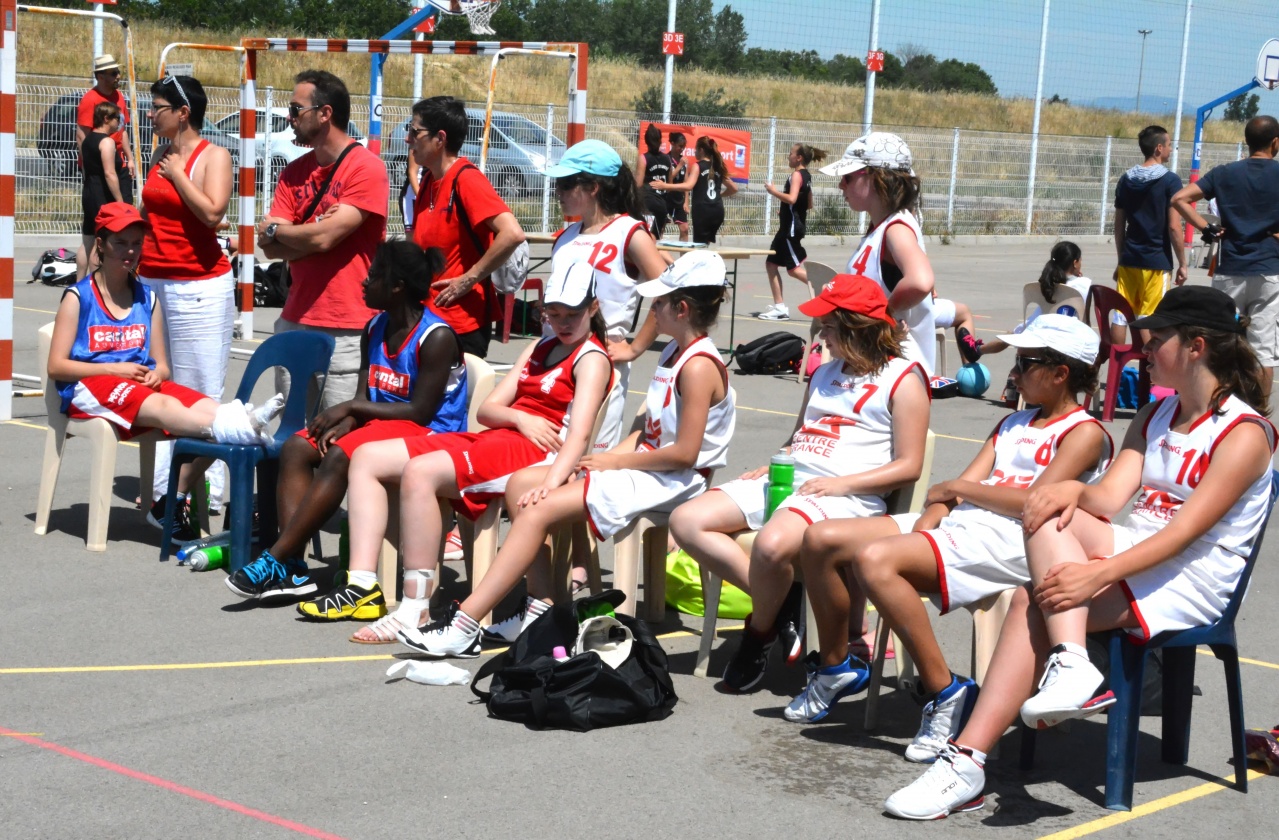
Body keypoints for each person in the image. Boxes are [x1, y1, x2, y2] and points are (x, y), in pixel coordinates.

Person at [885, 286, 1275, 820]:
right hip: (1142, 548)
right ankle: (1065, 669)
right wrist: (1068, 490)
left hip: (1195, 576)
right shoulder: (1154, 414)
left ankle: (969, 759)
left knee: (1033, 600)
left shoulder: (1245, 433)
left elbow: (1184, 535)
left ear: (1196, 346)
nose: (1143, 349)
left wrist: (1098, 576)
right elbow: (1109, 499)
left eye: (1157, 339)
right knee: (1044, 507)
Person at [797, 315, 1111, 756]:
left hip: (1014, 539)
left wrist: (960, 491)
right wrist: (932, 516)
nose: (1013, 372)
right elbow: (950, 493)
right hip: (966, 524)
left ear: (1061, 374)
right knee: (821, 539)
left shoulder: (1085, 433)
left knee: (874, 560)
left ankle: (944, 691)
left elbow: (1034, 502)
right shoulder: (1012, 423)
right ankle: (835, 668)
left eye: (1025, 362)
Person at [398, 251, 736, 658]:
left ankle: (464, 624)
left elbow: (685, 454)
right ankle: (539, 610)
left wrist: (613, 461)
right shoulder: (673, 353)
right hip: (653, 469)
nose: (653, 310)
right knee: (523, 484)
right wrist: (599, 460)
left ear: (681, 310)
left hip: (676, 480)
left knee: (537, 505)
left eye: (659, 302)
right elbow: (648, 433)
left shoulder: (698, 366)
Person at [304, 261, 613, 642]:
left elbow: (578, 437)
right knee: (367, 457)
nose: (562, 323)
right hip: (503, 438)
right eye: (554, 313)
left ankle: (415, 607)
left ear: (593, 307)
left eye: (572, 314)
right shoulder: (540, 345)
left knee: (420, 471)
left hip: (538, 454)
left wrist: (550, 483)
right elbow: (488, 410)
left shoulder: (591, 359)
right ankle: (362, 584)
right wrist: (520, 418)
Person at [670, 274, 930, 693]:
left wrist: (843, 484)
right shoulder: (823, 373)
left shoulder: (904, 379)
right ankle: (781, 604)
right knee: (686, 521)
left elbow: (909, 466)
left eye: (828, 326)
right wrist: (775, 462)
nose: (820, 335)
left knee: (771, 545)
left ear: (856, 328)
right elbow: (797, 437)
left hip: (846, 494)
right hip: (797, 479)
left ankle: (758, 633)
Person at [226, 241, 468, 603]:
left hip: (432, 434)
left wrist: (351, 409)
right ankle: (293, 569)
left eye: (374, 276)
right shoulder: (375, 327)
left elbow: (419, 411)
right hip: (387, 426)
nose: (364, 282)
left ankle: (275, 557)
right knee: (298, 446)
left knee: (341, 454)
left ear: (397, 286)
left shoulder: (437, 337)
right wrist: (351, 419)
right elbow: (366, 395)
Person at [48, 203, 283, 539]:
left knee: (210, 410)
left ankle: (170, 501)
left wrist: (157, 373)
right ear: (100, 244)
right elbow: (56, 366)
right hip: (89, 386)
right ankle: (245, 425)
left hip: (138, 384)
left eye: (136, 243)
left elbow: (162, 365)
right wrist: (115, 369)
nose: (130, 251)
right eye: (120, 243)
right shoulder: (78, 296)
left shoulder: (147, 297)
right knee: (172, 409)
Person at [257, 70, 389, 410]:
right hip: (295, 318)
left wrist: (281, 231)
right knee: (291, 430)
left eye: (296, 109)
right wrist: (304, 232)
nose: (290, 118)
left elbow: (324, 238)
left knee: (339, 430)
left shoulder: (366, 168)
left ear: (325, 113)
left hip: (346, 326)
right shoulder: (294, 172)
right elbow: (269, 248)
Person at [137, 75, 235, 521]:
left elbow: (213, 213)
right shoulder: (159, 153)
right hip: (153, 283)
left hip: (197, 288)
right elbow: (149, 212)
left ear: (183, 113)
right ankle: (163, 488)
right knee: (162, 388)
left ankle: (203, 492)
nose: (150, 114)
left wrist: (178, 174)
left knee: (199, 391)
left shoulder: (214, 156)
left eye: (158, 107)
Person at [547, 139, 670, 455]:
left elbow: (668, 294)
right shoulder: (564, 238)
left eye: (566, 184)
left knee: (589, 462)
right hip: (556, 362)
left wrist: (635, 347)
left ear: (593, 187)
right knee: (551, 455)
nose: (558, 191)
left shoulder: (629, 233)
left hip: (601, 363)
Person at [409, 96, 527, 360]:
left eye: (415, 132)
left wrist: (468, 278)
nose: (408, 139)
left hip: (461, 325)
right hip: (428, 319)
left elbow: (512, 233)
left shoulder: (466, 179)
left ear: (440, 139)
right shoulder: (428, 181)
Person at [1172, 115, 1279, 397]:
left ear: (1247, 141)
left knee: (1221, 344)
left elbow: (1179, 199)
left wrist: (1206, 227)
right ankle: (1257, 412)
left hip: (1230, 268)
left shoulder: (1225, 173)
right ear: (1275, 142)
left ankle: (1220, 405)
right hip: (1268, 270)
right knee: (1263, 353)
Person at [823, 132, 937, 374]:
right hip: (876, 363)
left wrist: (882, 317)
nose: (841, 184)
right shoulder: (882, 226)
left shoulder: (896, 228)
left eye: (848, 177)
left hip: (894, 368)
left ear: (876, 178)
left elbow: (921, 280)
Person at [1113, 125, 1186, 348]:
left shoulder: (1126, 180)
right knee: (1151, 317)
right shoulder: (1170, 181)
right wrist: (1183, 262)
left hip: (1129, 259)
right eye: (1170, 145)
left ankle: (1117, 358)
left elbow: (1119, 225)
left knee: (1120, 314)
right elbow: (1174, 226)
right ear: (1158, 148)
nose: (1171, 149)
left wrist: (1121, 258)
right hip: (1156, 260)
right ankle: (1150, 366)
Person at [975, 241, 1096, 358]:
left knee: (1013, 334)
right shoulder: (1084, 284)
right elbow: (1086, 322)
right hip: (1067, 339)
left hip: (1038, 330)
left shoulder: (1046, 283)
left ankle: (978, 350)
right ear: (1075, 263)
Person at [76, 54, 134, 281]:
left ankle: (89, 283)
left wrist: (130, 158)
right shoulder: (90, 100)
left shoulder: (119, 97)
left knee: (94, 235)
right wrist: (89, 167)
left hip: (116, 161)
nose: (118, 76)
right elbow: (82, 135)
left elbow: (124, 130)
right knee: (99, 235)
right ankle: (91, 284)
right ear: (100, 76)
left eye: (118, 72)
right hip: (102, 166)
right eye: (113, 73)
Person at [758, 143, 825, 321]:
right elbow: (808, 203)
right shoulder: (807, 176)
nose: (789, 156)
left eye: (791, 153)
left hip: (790, 230)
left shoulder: (796, 175)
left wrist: (773, 192)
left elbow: (792, 198)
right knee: (771, 264)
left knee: (793, 270)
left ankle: (825, 289)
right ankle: (779, 307)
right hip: (788, 226)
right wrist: (786, 211)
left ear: (799, 158)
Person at [79, 103, 131, 279]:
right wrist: (120, 201)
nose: (119, 123)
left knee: (87, 241)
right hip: (101, 193)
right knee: (99, 244)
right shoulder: (107, 141)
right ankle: (97, 282)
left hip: (89, 190)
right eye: (117, 118)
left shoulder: (88, 139)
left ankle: (80, 281)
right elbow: (110, 173)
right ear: (106, 119)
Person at [661, 136, 739, 245]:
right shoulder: (717, 167)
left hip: (703, 210)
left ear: (701, 150)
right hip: (718, 211)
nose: (694, 152)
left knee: (699, 245)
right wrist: (719, 195)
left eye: (696, 149)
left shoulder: (698, 166)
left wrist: (665, 186)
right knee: (705, 244)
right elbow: (734, 188)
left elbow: (688, 186)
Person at [636, 123, 673, 239]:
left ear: (646, 141)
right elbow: (670, 185)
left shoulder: (644, 158)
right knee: (657, 238)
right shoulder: (667, 159)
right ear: (660, 140)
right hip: (662, 204)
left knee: (647, 237)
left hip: (648, 203)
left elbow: (638, 184)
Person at [665, 132, 690, 242]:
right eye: (680, 146)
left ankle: (684, 252)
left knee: (685, 229)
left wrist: (686, 202)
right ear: (672, 143)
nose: (682, 149)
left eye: (683, 146)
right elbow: (668, 180)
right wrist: (679, 166)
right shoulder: (666, 159)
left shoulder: (684, 161)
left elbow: (686, 182)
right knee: (661, 227)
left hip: (679, 199)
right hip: (667, 198)